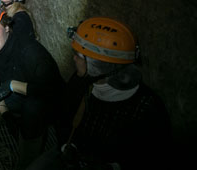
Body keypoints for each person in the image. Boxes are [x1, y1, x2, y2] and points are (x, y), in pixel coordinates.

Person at [27, 17, 172, 170]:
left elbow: (153, 157)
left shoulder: (147, 107)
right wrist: (67, 146)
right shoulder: (81, 83)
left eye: (80, 55)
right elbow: (63, 115)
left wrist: (113, 167)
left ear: (99, 66)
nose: (74, 58)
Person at [0, 0, 66, 169]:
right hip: (10, 95)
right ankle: (15, 120)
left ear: (7, 26)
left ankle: (32, 145)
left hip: (40, 100)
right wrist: (4, 112)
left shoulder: (30, 51)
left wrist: (13, 85)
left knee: (31, 112)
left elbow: (53, 91)